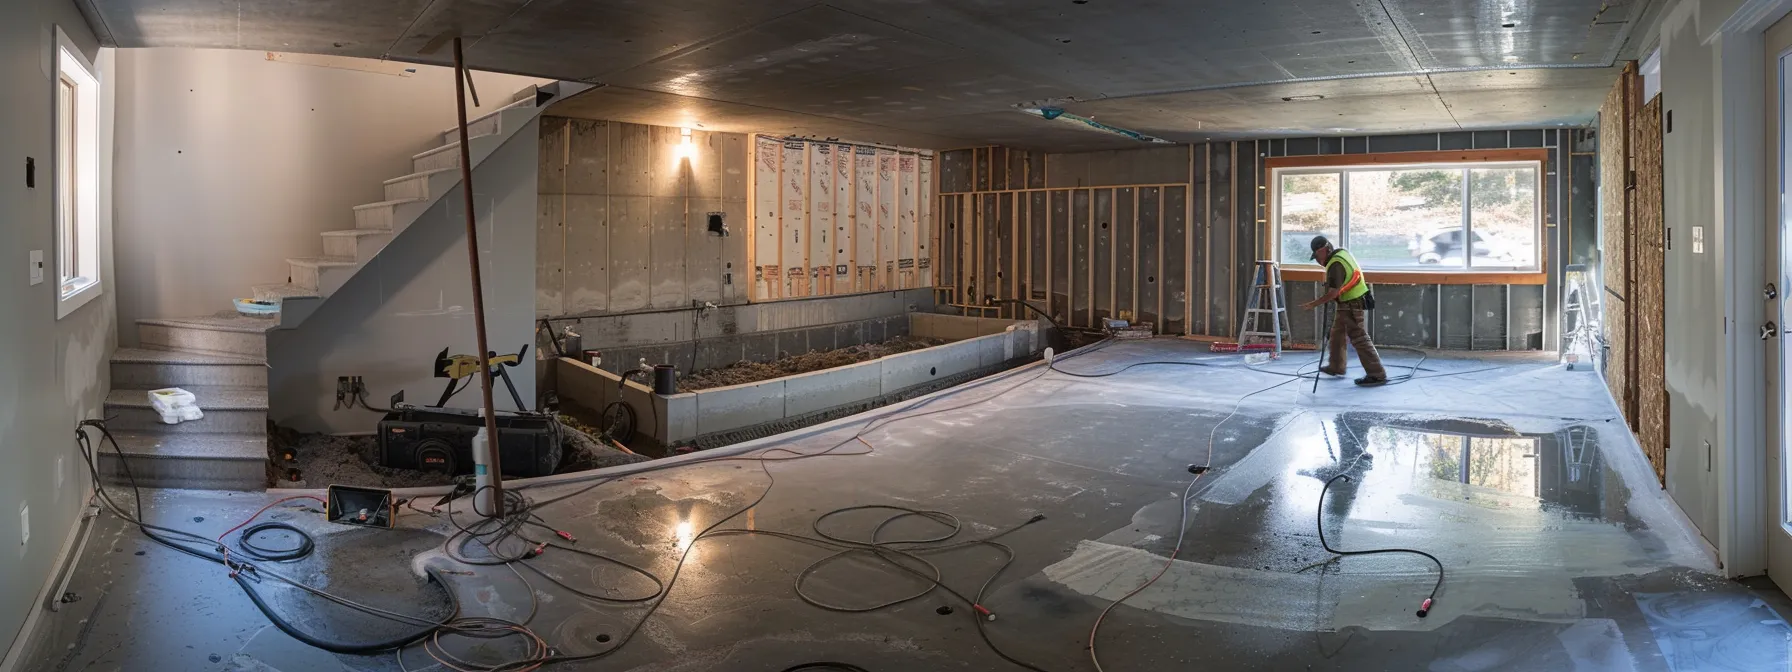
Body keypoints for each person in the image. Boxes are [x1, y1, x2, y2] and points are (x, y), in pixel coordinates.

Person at [1299, 236, 1388, 386]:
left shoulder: (1335, 265)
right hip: (1348, 301)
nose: (1318, 261)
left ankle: (1377, 374)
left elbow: (1333, 293)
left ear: (1325, 250)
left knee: (1359, 337)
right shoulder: (1342, 253)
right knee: (1337, 334)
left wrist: (1313, 304)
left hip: (1352, 303)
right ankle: (1336, 366)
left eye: (1317, 256)